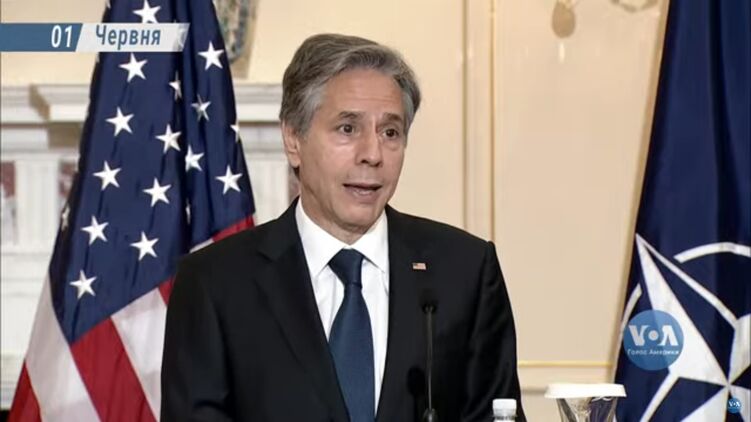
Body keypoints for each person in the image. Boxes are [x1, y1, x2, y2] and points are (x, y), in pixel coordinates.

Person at [161, 33, 526, 422]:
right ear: (293, 139)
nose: (372, 154)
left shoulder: (464, 270)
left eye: (390, 132)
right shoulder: (216, 283)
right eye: (348, 129)